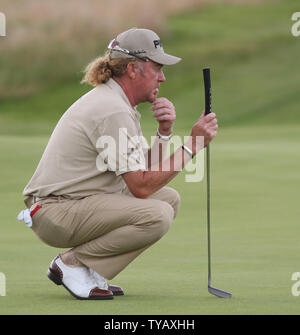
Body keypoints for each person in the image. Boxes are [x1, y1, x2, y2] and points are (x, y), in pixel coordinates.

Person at [17, 28, 218, 300]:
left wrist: (164, 132)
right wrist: (192, 145)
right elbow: (141, 188)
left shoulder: (118, 103)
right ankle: (72, 264)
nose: (163, 76)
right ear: (133, 69)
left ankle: (89, 270)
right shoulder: (112, 108)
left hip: (77, 203)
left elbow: (144, 174)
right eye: (156, 67)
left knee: (168, 200)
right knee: (156, 214)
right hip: (56, 211)